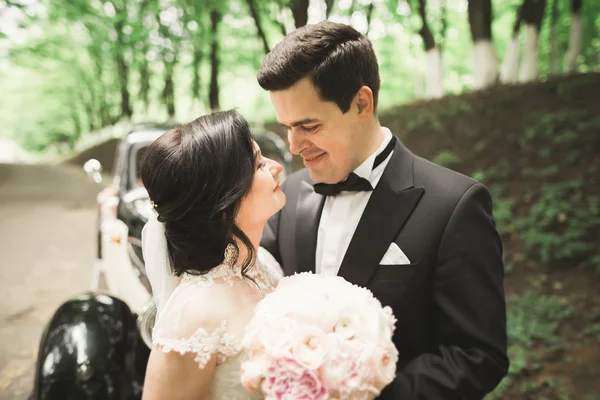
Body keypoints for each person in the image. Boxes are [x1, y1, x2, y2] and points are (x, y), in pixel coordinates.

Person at [259, 21, 509, 399]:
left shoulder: (454, 205)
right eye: (286, 128)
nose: (294, 146)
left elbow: (477, 354)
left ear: (362, 103)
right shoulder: (288, 194)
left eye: (308, 126)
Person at [140, 110, 286, 399]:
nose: (277, 167)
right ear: (224, 201)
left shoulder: (263, 262)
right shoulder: (192, 313)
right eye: (259, 165)